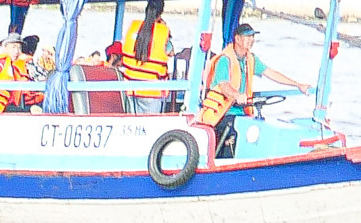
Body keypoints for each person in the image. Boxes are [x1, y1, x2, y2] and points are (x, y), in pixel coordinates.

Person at [198, 23, 306, 155]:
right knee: (238, 133)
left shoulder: (250, 59)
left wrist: (297, 84)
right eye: (248, 37)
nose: (251, 40)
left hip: (241, 113)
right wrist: (237, 95)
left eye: (252, 37)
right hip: (222, 113)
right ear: (237, 39)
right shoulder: (224, 60)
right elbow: (224, 85)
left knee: (259, 127)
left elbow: (271, 73)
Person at [112, 0, 178, 110]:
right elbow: (171, 52)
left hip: (130, 89)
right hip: (152, 92)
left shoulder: (134, 27)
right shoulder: (162, 31)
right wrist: (162, 26)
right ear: (161, 12)